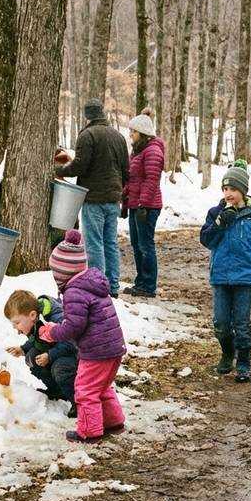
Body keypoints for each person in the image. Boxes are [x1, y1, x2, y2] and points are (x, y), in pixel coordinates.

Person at [200, 166, 251, 383]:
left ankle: (243, 362)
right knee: (221, 323)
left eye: (232, 189)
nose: (228, 193)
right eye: (225, 189)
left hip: (245, 277)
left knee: (241, 322)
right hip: (221, 277)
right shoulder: (215, 213)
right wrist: (221, 222)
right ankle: (227, 352)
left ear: (243, 190)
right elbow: (206, 240)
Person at [38, 265, 127, 443]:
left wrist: (52, 332)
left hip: (96, 351)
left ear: (62, 272)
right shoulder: (92, 285)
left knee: (85, 390)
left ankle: (89, 432)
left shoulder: (74, 292)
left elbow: (73, 327)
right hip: (113, 346)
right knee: (101, 387)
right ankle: (113, 421)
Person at [55, 98, 130, 297]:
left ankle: (98, 286)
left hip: (93, 198)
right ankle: (113, 285)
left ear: (87, 115)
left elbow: (80, 166)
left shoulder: (87, 135)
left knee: (94, 243)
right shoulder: (118, 136)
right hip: (113, 198)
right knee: (110, 243)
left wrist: (59, 170)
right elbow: (126, 170)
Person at [5, 289, 78, 417]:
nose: (16, 328)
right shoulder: (36, 321)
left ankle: (78, 401)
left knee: (59, 368)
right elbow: (38, 339)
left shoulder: (56, 319)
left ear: (32, 315)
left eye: (17, 323)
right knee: (32, 357)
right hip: (57, 351)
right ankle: (57, 390)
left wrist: (50, 355)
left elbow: (70, 343)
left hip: (76, 355)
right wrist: (23, 349)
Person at [122, 109, 164, 298]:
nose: (131, 134)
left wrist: (143, 204)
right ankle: (141, 282)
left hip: (147, 206)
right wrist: (125, 195)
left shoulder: (153, 151)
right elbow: (133, 178)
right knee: (137, 244)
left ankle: (148, 285)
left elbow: (151, 180)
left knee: (146, 245)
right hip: (136, 205)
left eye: (133, 131)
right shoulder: (138, 150)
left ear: (143, 133)